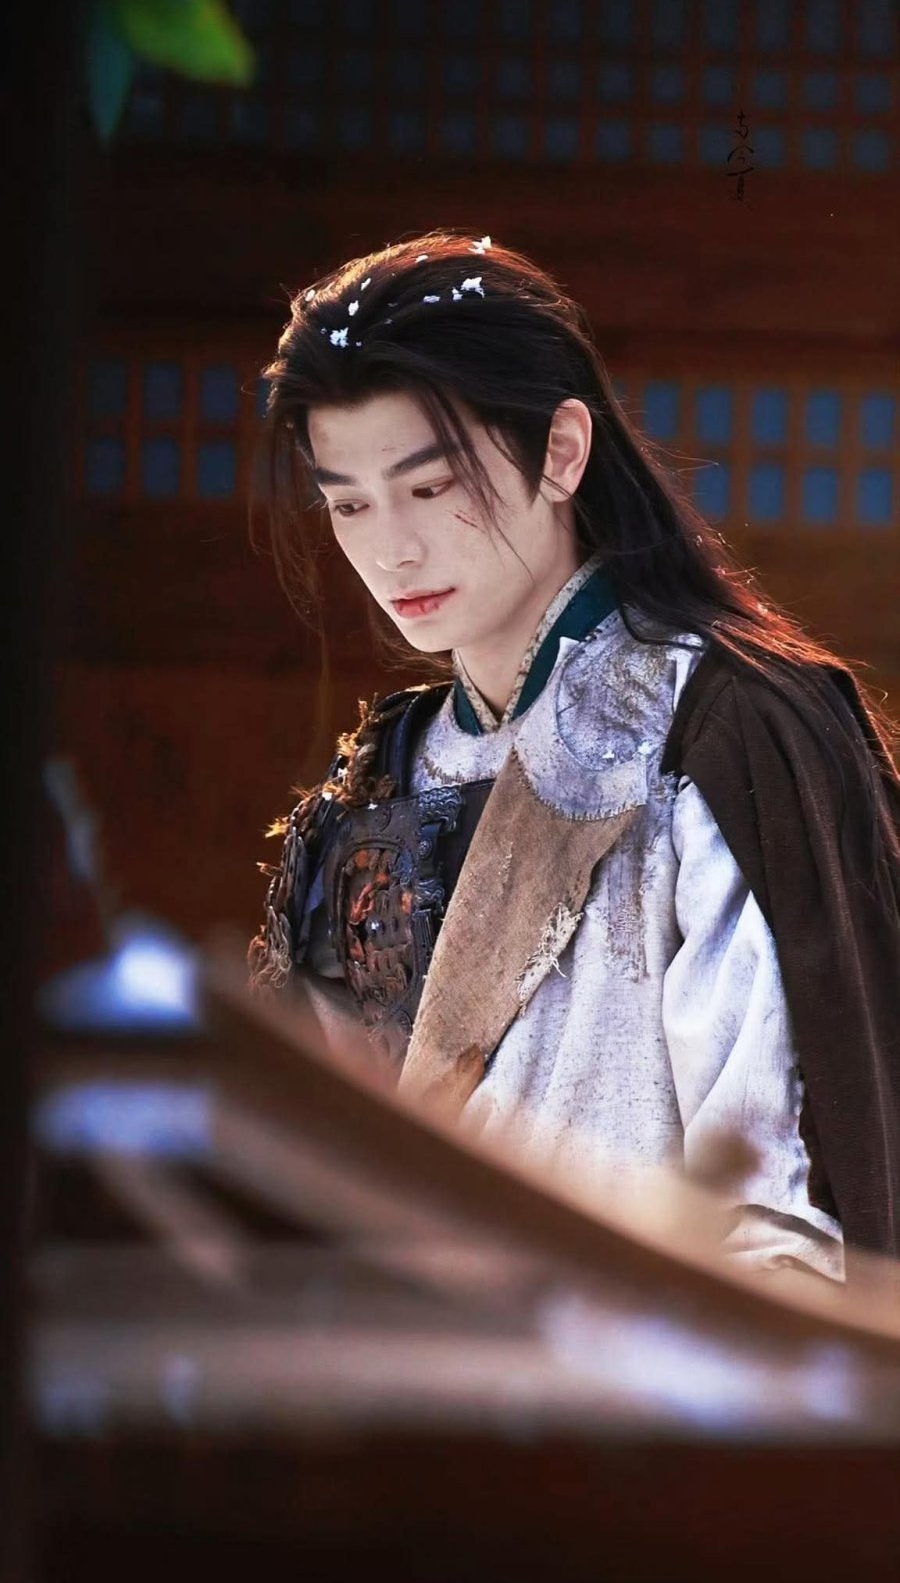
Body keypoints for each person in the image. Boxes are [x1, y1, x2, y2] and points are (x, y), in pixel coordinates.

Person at [246, 229, 900, 1284]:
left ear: (560, 451)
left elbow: (778, 1205)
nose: (392, 548)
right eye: (350, 504)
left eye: (431, 485)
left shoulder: (723, 729)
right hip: (409, 1363)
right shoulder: (383, 777)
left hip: (671, 1360)